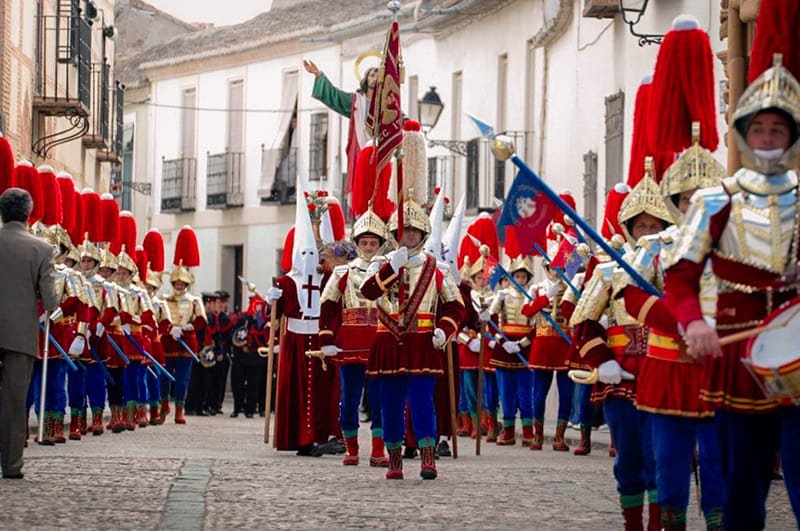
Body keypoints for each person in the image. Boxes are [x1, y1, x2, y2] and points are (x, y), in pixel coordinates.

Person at [665, 54, 800, 529]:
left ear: (791, 137)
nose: (767, 139)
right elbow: (680, 276)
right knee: (744, 483)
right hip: (737, 355)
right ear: (744, 133)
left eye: (777, 130)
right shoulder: (715, 200)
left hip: (799, 350)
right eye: (759, 129)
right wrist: (694, 321)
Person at [570, 164, 673, 529]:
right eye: (641, 226)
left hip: (666, 372)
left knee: (662, 457)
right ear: (628, 229)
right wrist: (602, 360)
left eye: (654, 226)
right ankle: (633, 524)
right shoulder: (608, 269)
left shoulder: (678, 265)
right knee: (629, 456)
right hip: (621, 375)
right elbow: (583, 321)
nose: (648, 233)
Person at [319, 209, 389, 466]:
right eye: (364, 243)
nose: (369, 247)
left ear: (380, 244)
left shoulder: (389, 270)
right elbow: (327, 305)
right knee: (349, 397)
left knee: (380, 398)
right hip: (350, 342)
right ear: (357, 244)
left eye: (373, 243)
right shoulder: (342, 273)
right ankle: (351, 448)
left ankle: (378, 450)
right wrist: (326, 339)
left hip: (381, 339)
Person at [0, 187, 59, 479]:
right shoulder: (41, 248)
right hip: (21, 334)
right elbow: (51, 300)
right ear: (27, 214)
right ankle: (11, 465)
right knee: (14, 402)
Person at [304, 59, 376, 197]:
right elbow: (335, 95)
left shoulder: (386, 103)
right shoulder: (356, 101)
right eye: (372, 75)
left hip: (380, 150)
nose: (375, 79)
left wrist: (411, 126)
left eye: (378, 76)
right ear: (366, 79)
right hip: (360, 148)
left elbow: (399, 117)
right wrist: (319, 75)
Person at [160, 226, 207, 424]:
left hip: (187, 342)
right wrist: (171, 329)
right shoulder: (163, 299)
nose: (179, 287)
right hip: (168, 342)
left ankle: (180, 409)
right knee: (164, 376)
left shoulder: (195, 300)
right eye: (176, 284)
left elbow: (200, 320)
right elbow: (160, 319)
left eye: (182, 284)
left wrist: (187, 328)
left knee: (183, 379)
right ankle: (163, 405)